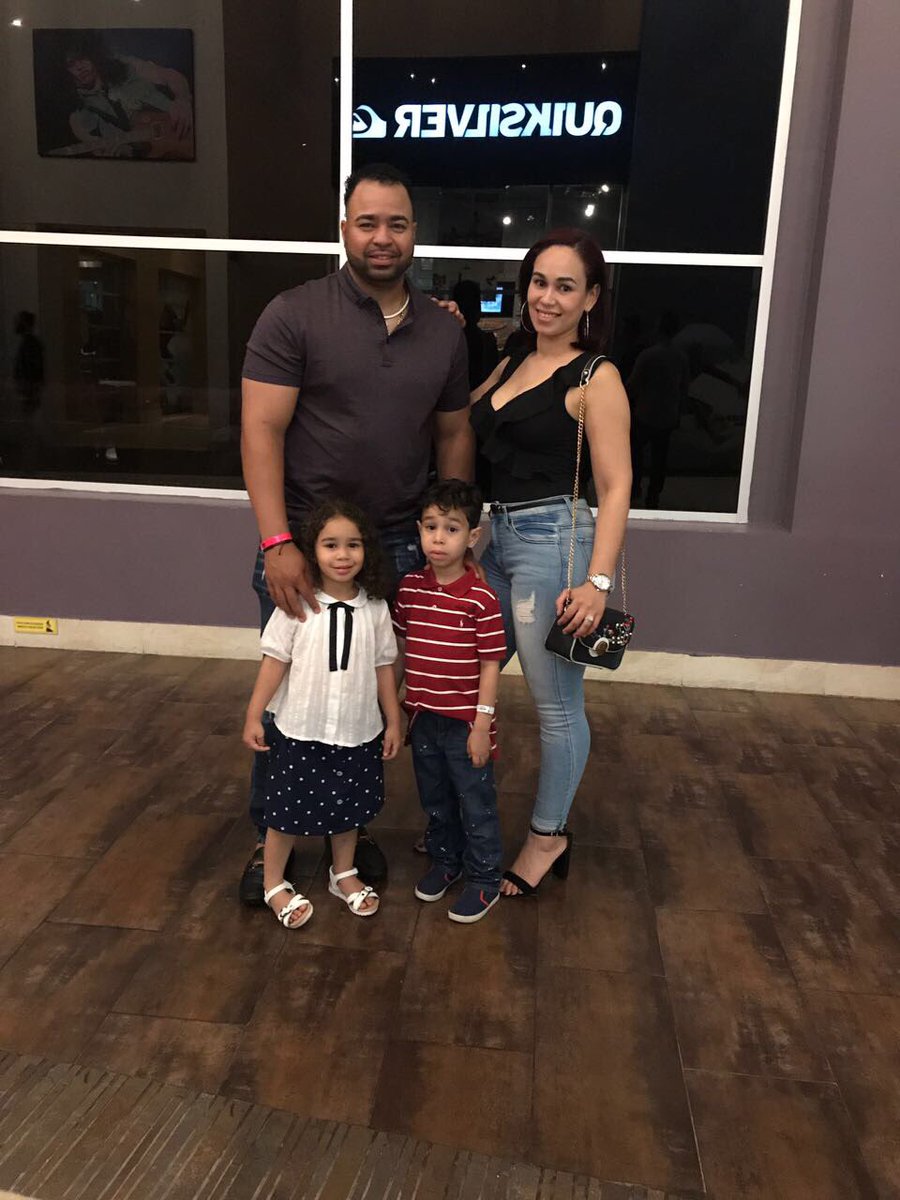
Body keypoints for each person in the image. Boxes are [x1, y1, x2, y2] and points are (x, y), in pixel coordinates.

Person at [239, 162, 474, 906]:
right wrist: (277, 543)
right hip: (305, 550)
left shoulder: (443, 330)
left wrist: (451, 538)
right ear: (344, 229)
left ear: (414, 233)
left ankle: (349, 826)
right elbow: (261, 430)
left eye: (396, 224)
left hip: (401, 547)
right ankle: (271, 839)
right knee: (292, 697)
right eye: (367, 222)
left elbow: (454, 434)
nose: (382, 237)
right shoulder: (293, 314)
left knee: (365, 701)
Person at [469, 228, 631, 896]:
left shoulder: (596, 377)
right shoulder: (513, 358)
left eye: (566, 286)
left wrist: (597, 582)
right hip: (497, 540)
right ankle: (465, 815)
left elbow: (616, 486)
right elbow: (465, 416)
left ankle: (547, 835)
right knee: (464, 681)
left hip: (553, 544)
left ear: (590, 298)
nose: (548, 297)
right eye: (539, 282)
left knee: (556, 706)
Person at [242, 499, 402, 925]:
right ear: (312, 550)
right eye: (331, 545)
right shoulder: (297, 605)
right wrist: (254, 714)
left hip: (356, 729)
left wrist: (393, 719)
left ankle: (342, 872)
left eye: (353, 544)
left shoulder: (375, 608)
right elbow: (274, 660)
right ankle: (273, 881)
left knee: (348, 807)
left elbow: (384, 666)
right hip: (301, 728)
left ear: (367, 550)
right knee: (285, 810)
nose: (343, 555)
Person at [393, 480, 506, 923]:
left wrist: (481, 725)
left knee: (475, 803)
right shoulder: (409, 589)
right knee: (435, 798)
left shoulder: (481, 598)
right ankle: (446, 861)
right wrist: (393, 710)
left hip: (465, 724)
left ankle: (485, 878)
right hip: (423, 718)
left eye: (452, 529)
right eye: (430, 527)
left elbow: (491, 666)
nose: (438, 539)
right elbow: (402, 651)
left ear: (472, 536)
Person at [61, 33, 194, 158]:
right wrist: (120, 152)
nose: (79, 67)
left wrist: (182, 100)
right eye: (71, 64)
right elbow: (98, 148)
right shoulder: (77, 118)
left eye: (82, 58)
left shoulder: (126, 65)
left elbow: (171, 76)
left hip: (189, 130)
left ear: (92, 55)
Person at [628, 311, 689, 508]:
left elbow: (634, 384)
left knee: (635, 451)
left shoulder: (648, 355)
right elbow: (684, 387)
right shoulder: (680, 357)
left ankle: (635, 487)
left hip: (645, 412)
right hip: (668, 414)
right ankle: (654, 494)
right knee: (660, 458)